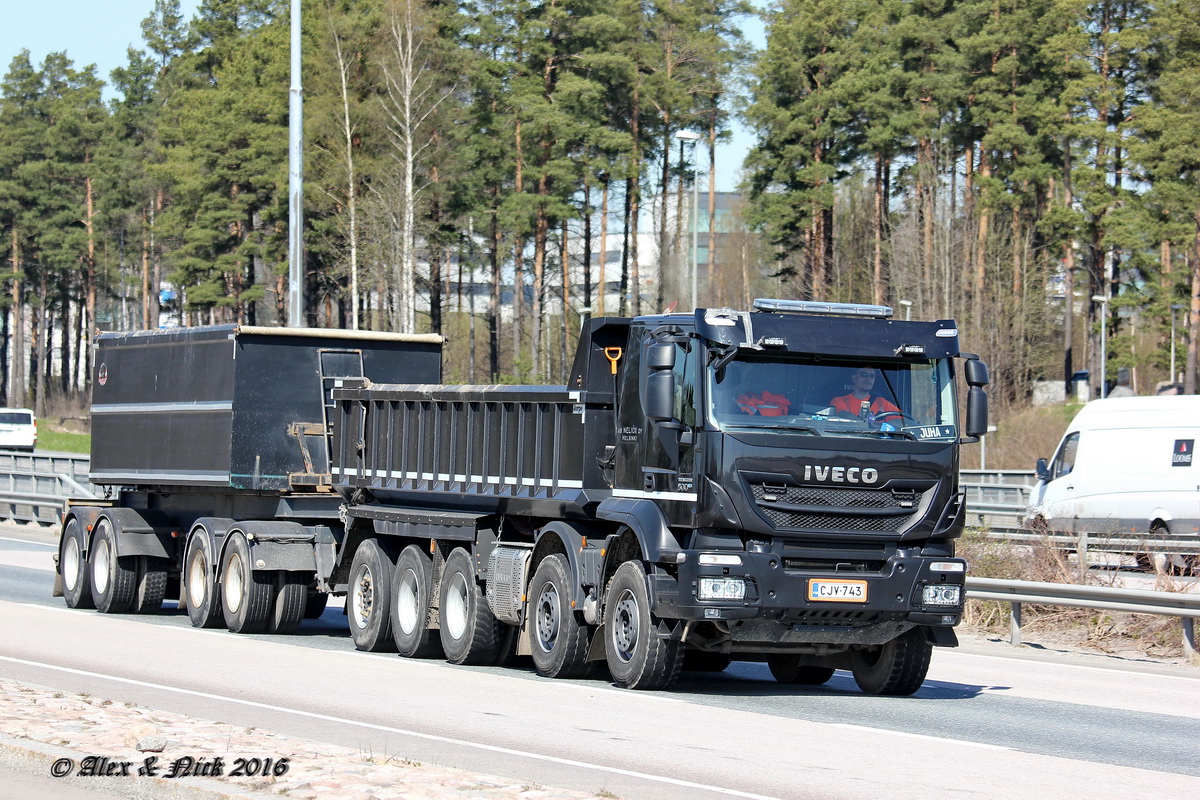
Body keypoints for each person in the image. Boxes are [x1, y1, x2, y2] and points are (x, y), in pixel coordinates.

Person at [830, 368, 900, 420]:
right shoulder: (840, 401)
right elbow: (842, 415)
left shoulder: (881, 403)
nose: (868, 379)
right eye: (864, 375)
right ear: (854, 378)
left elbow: (903, 421)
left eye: (872, 376)